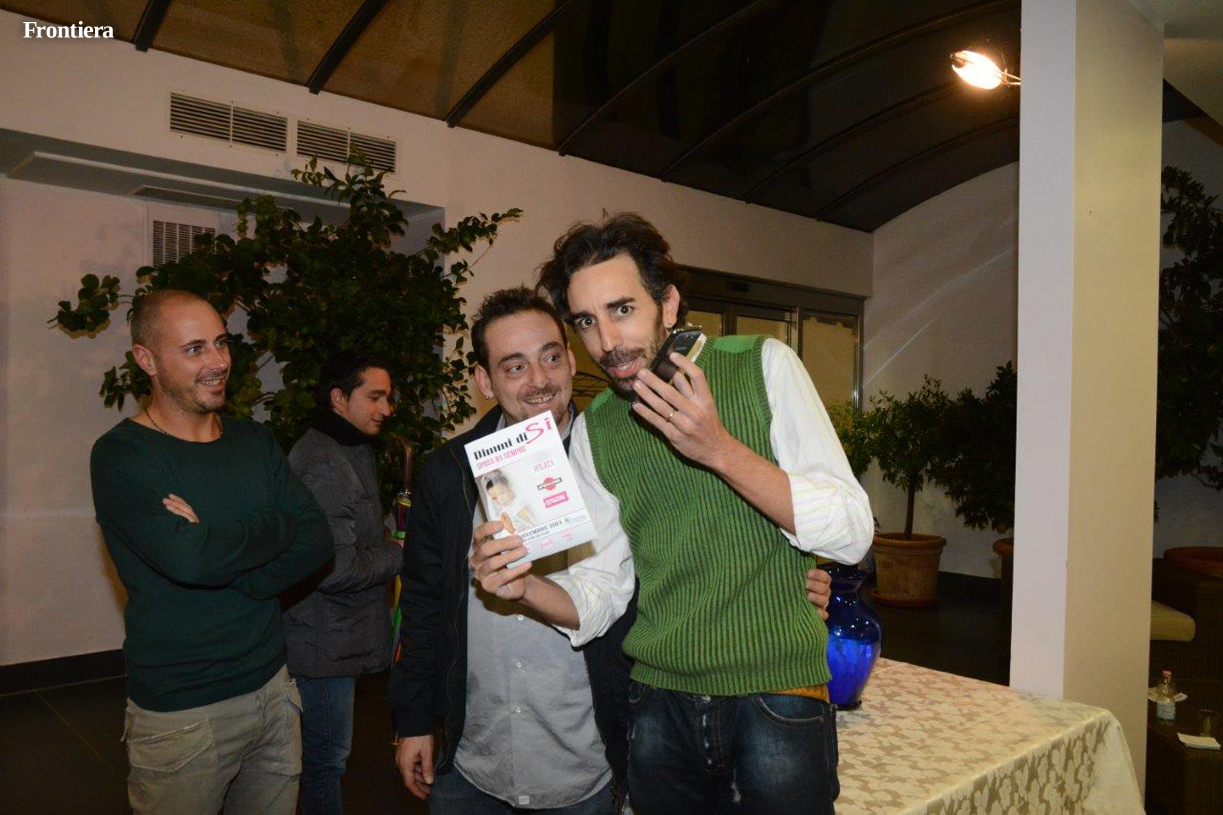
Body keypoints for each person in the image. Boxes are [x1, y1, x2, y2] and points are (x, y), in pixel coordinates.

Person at [471, 215, 873, 814]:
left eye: (622, 309)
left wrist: (719, 450)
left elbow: (851, 531)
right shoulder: (599, 428)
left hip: (777, 693)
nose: (607, 341)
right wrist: (523, 586)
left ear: (668, 303)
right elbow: (601, 589)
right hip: (658, 701)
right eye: (587, 321)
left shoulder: (761, 364)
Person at [391, 286, 833, 814]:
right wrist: (413, 721)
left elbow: (698, 546)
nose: (540, 381)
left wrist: (790, 579)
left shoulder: (617, 453)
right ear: (485, 381)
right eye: (515, 367)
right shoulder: (449, 472)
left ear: (570, 358)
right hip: (473, 757)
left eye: (551, 357)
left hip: (590, 757)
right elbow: (423, 602)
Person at [89, 289, 334, 814]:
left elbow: (316, 539)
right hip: (184, 713)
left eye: (221, 343)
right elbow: (189, 561)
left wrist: (226, 555)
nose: (218, 361)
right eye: (194, 349)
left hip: (274, 691)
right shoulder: (122, 455)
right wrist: (274, 527)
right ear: (146, 360)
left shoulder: (253, 441)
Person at [282, 352, 403, 815]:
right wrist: (401, 553)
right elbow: (333, 568)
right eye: (375, 397)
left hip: (337, 635)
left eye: (388, 397)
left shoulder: (350, 446)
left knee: (328, 757)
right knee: (326, 761)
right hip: (322, 643)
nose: (386, 409)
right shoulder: (324, 463)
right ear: (338, 398)